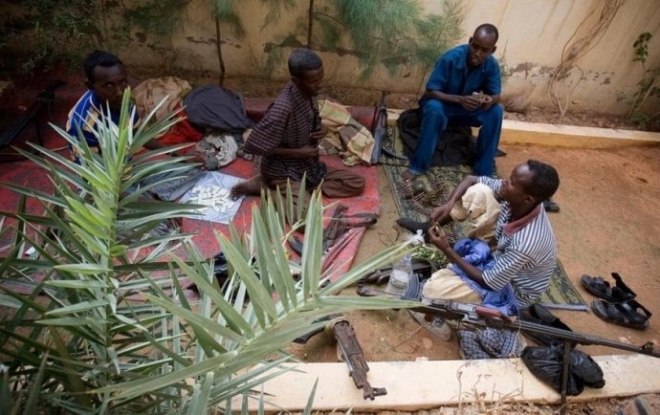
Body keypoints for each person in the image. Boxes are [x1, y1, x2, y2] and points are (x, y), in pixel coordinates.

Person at [401, 159, 560, 309]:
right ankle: (430, 232)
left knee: (432, 290)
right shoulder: (519, 200)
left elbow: (490, 282)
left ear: (528, 199)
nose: (504, 181)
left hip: (510, 289)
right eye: (509, 177)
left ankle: (453, 288)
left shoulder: (526, 243)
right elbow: (471, 180)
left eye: (511, 182)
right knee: (479, 191)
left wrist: (447, 251)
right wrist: (448, 204)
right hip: (501, 251)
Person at [65, 50, 202, 202]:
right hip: (106, 188)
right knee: (161, 225)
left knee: (193, 169)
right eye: (108, 86)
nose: (119, 92)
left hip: (128, 171)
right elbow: (92, 181)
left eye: (123, 82)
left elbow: (138, 133)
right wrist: (145, 204)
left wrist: (179, 157)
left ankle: (150, 196)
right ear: (90, 86)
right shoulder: (82, 125)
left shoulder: (122, 100)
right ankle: (147, 200)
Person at [230, 49, 365, 203]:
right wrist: (297, 153)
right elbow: (254, 145)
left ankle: (301, 190)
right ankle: (264, 187)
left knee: (356, 183)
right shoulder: (282, 108)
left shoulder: (308, 93)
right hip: (282, 171)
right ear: (296, 80)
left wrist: (323, 128)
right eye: (314, 81)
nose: (319, 85)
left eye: (320, 79)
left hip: (307, 166)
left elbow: (310, 120)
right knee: (304, 218)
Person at [404, 23, 503, 180]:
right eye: (475, 46)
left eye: (484, 50)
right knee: (435, 109)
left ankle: (483, 172)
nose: (477, 53)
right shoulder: (451, 58)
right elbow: (430, 92)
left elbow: (496, 95)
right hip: (440, 105)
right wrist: (460, 99)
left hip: (463, 111)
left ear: (493, 50)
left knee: (496, 111)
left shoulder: (491, 64)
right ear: (470, 41)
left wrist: (490, 99)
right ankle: (418, 166)